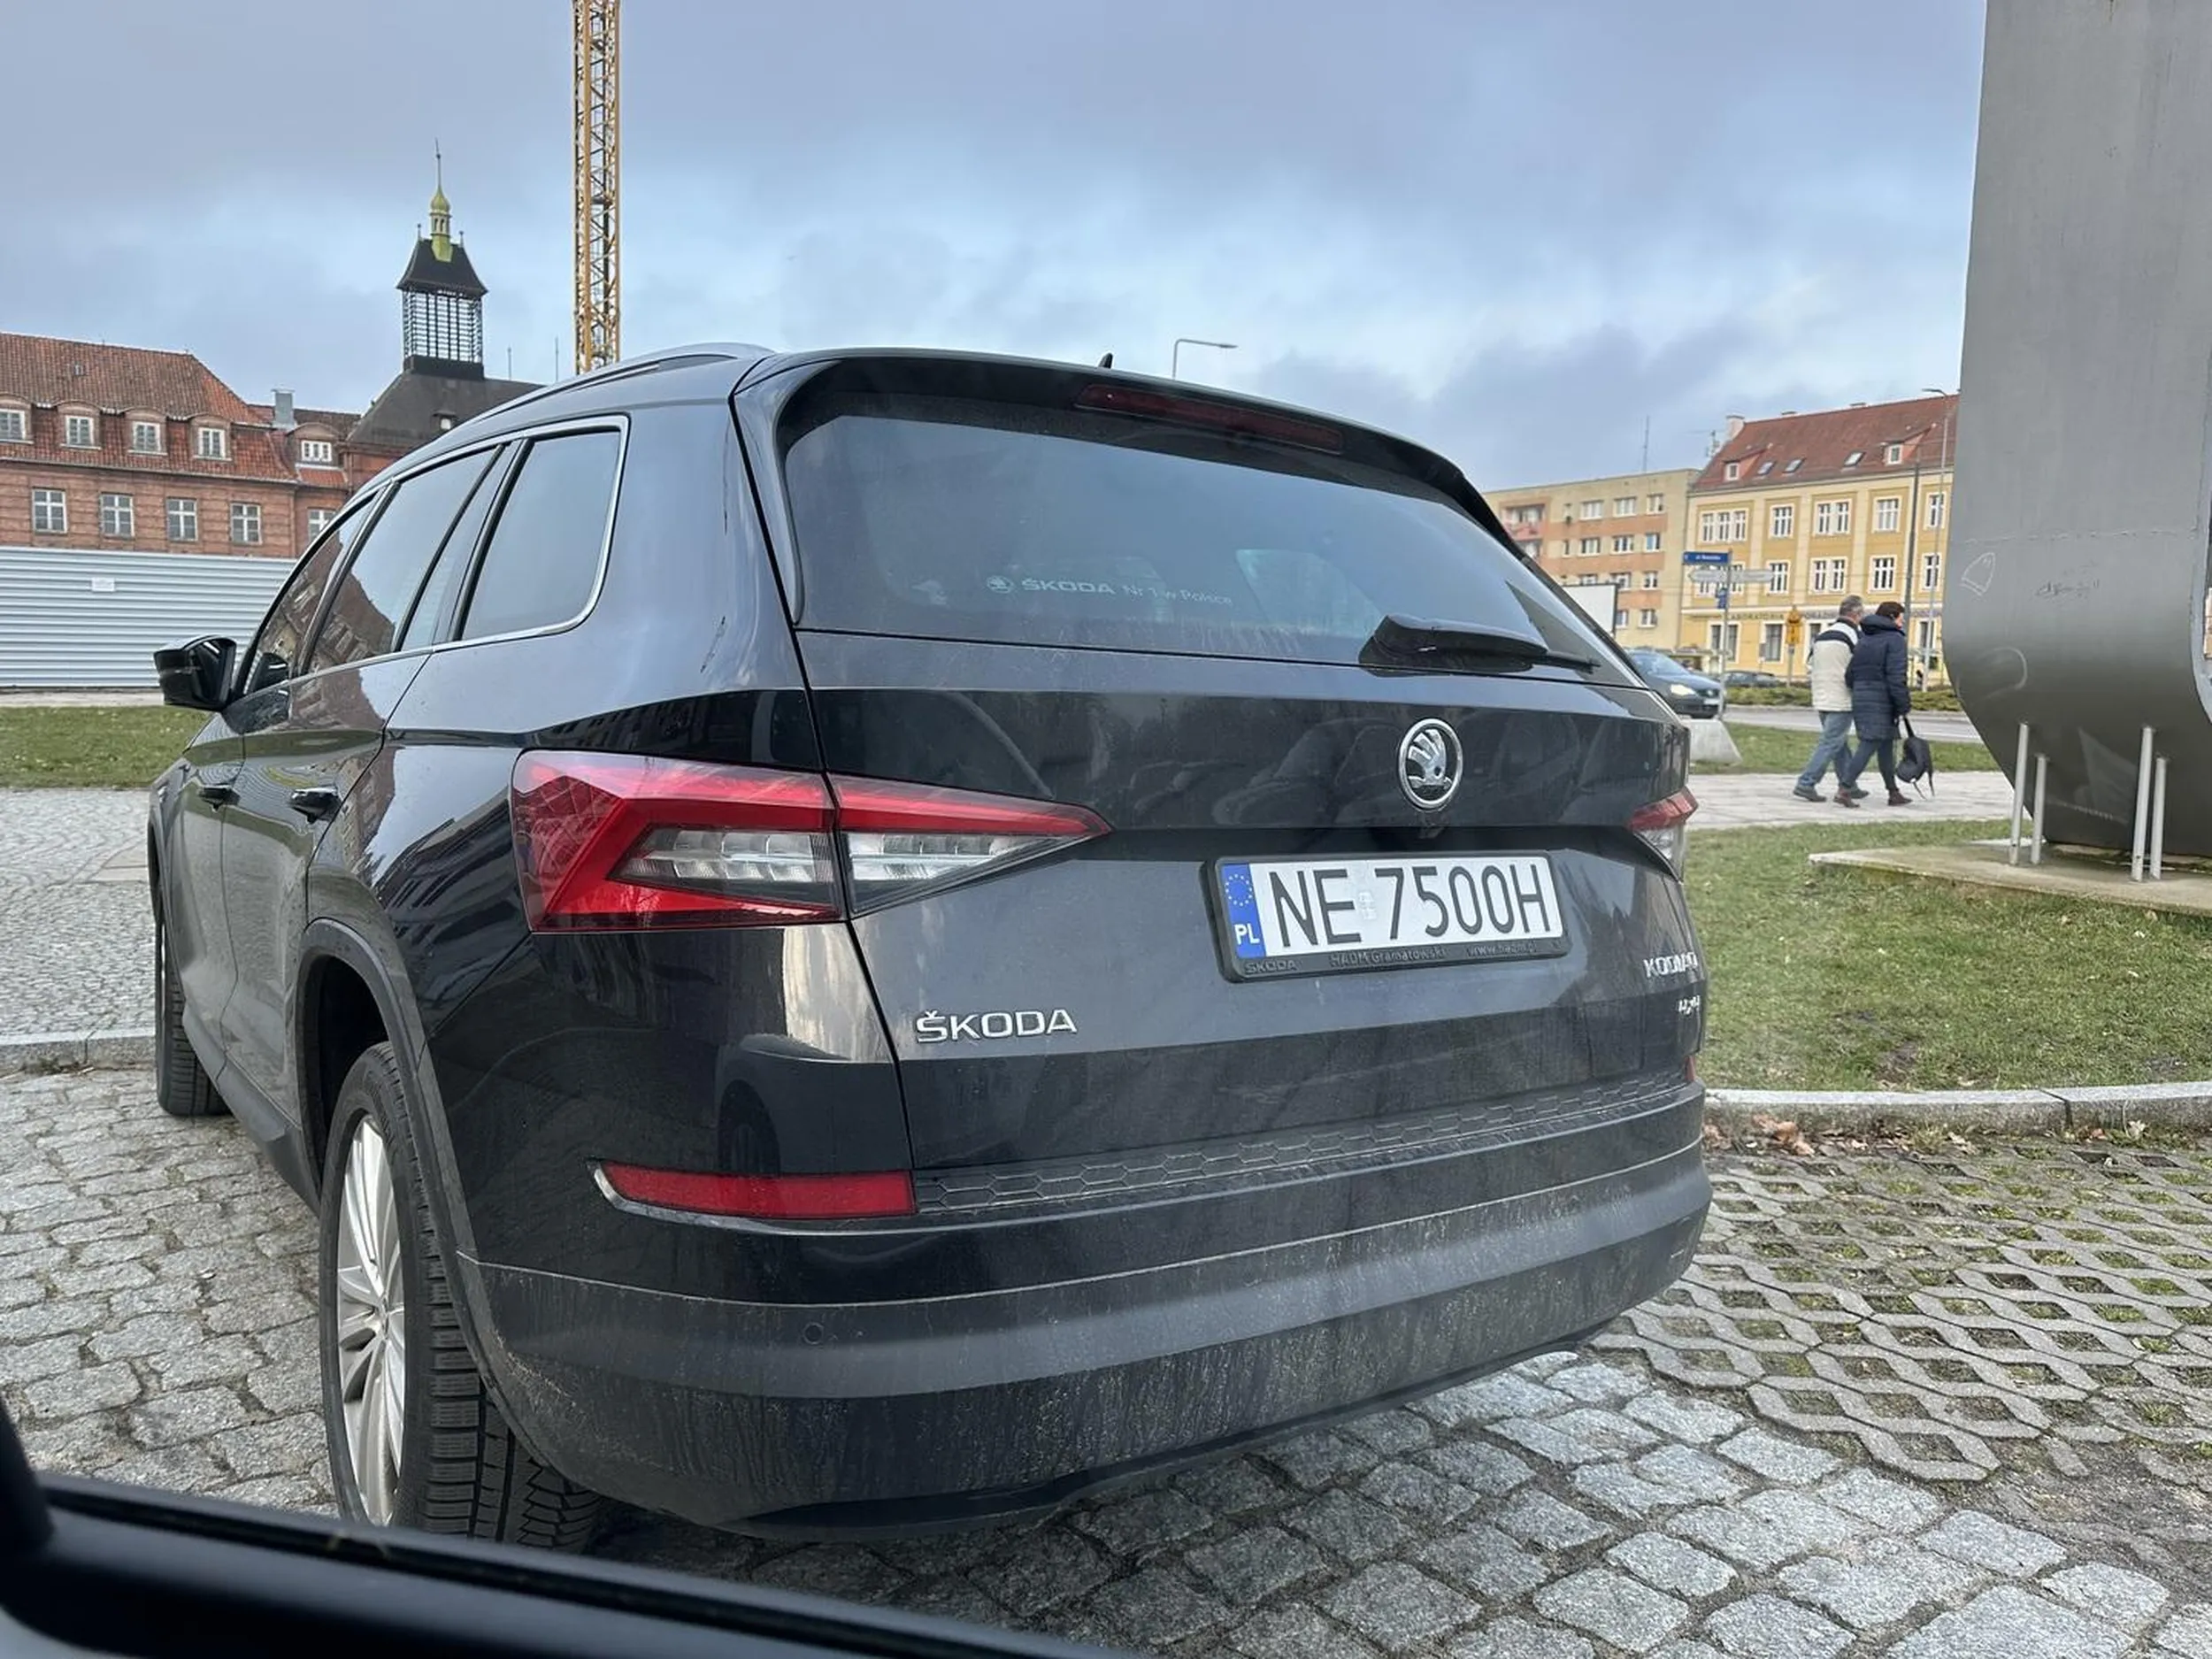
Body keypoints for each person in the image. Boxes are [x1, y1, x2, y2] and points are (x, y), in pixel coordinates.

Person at [1835, 600, 1912, 806]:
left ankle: (1893, 792)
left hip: (1862, 695)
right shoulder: (1895, 640)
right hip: (1882, 699)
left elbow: (1850, 674)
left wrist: (1861, 688)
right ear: (1892, 617)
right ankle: (1845, 788)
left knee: (1886, 744)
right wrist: (1903, 704)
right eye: (1900, 618)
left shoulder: (1865, 639)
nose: (1902, 623)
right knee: (1869, 744)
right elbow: (1897, 676)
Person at [1793, 596, 1865, 802]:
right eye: (1862, 615)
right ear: (1856, 615)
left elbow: (1809, 663)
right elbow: (1857, 666)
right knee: (1830, 742)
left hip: (1821, 694)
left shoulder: (1823, 634)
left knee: (1839, 744)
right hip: (1842, 697)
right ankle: (1806, 783)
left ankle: (1849, 784)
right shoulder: (1854, 636)